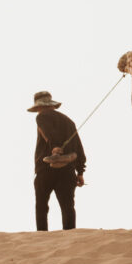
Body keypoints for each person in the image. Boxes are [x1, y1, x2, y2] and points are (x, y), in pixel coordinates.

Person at [29, 91, 86, 231]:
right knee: (68, 206)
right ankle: (70, 235)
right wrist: (80, 171)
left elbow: (48, 133)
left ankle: (42, 237)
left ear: (38, 107)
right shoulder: (69, 121)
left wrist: (55, 147)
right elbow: (79, 147)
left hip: (46, 168)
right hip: (68, 169)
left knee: (42, 206)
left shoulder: (41, 116)